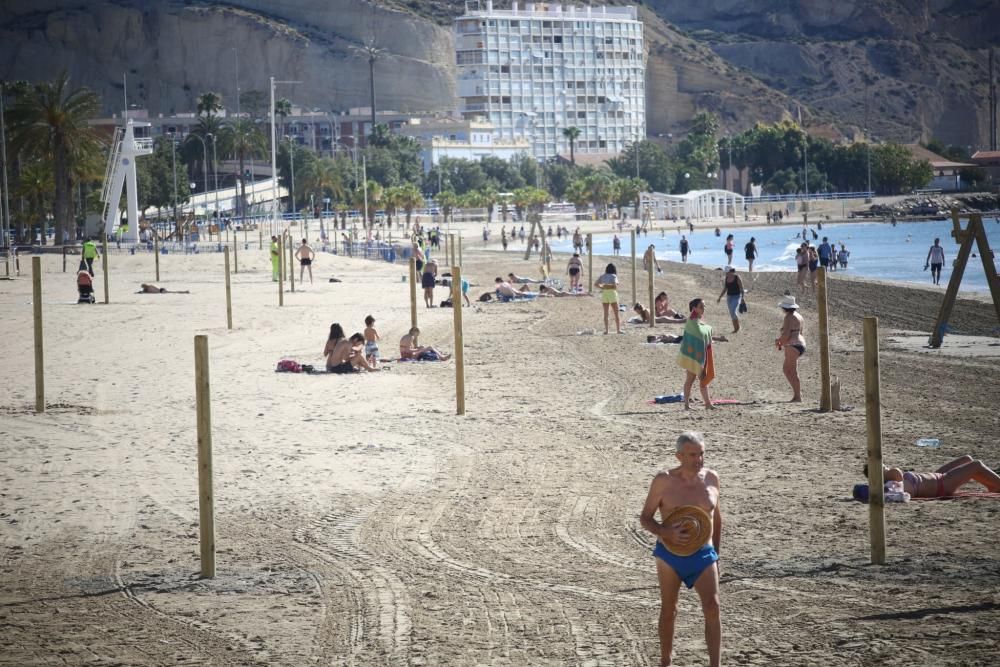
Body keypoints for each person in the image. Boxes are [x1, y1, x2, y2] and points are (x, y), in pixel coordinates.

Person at [639, 431, 722, 667]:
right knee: (669, 610)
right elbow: (645, 518)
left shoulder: (711, 478)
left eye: (702, 454)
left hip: (703, 554)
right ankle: (666, 661)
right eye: (693, 455)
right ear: (679, 456)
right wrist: (666, 532)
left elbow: (716, 518)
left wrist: (716, 554)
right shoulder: (663, 481)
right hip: (669, 555)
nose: (699, 460)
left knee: (713, 607)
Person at [864, 456, 1000, 497]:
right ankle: (997, 485)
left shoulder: (893, 480)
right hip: (942, 484)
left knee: (967, 459)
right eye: (882, 466)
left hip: (937, 477)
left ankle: (990, 485)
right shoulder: (893, 480)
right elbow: (896, 473)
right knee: (976, 465)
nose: (885, 465)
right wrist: (885, 472)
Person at [677, 298, 715, 410]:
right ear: (694, 308)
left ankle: (708, 404)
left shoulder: (699, 321)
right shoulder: (691, 321)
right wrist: (708, 329)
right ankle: (686, 405)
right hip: (692, 356)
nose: (704, 308)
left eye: (704, 306)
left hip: (701, 356)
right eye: (701, 306)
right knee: (690, 379)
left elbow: (704, 332)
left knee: (703, 380)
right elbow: (698, 333)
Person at [774, 295, 805, 402]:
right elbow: (800, 332)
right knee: (791, 370)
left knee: (788, 370)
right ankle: (797, 394)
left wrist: (779, 342)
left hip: (792, 344)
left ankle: (798, 395)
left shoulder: (788, 317)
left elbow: (787, 334)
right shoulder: (799, 316)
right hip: (800, 344)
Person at [595, 263, 623, 335]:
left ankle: (607, 330)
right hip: (612, 294)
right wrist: (608, 286)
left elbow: (596, 284)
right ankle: (618, 330)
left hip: (604, 294)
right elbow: (615, 286)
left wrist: (603, 287)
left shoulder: (603, 276)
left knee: (606, 313)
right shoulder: (614, 276)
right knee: (616, 313)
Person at [716, 266, 745, 334]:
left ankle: (737, 328)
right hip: (729, 297)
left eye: (727, 272)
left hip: (737, 296)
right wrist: (720, 297)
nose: (726, 274)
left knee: (733, 311)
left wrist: (743, 298)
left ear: (731, 271)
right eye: (726, 272)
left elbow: (741, 288)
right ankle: (736, 328)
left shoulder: (737, 277)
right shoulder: (727, 278)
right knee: (732, 313)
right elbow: (725, 289)